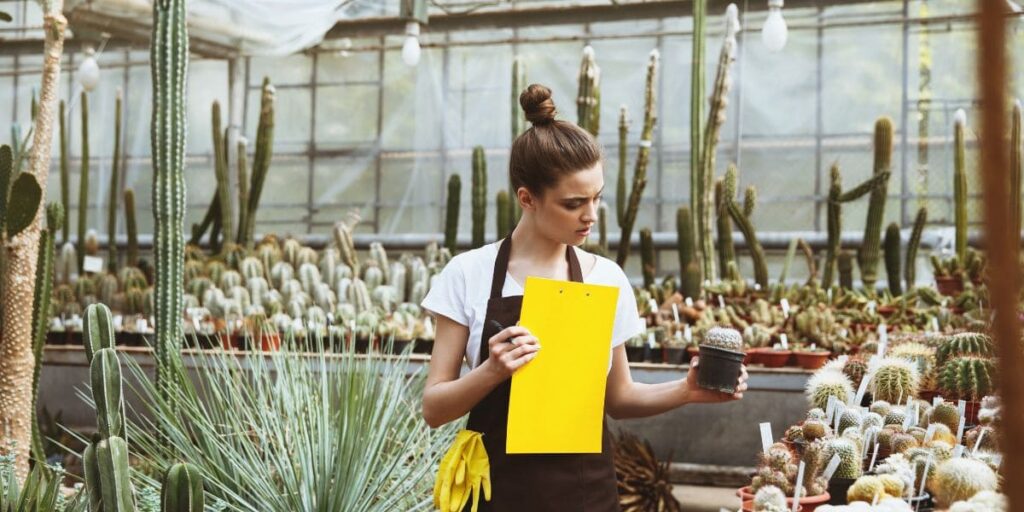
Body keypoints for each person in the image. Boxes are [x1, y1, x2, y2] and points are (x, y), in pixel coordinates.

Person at [421, 83, 749, 511]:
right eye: (574, 203)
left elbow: (619, 398)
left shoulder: (605, 279)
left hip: (585, 493)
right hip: (496, 491)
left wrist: (687, 389)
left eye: (596, 197)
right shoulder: (469, 274)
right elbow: (434, 408)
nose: (591, 215)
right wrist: (492, 371)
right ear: (527, 199)